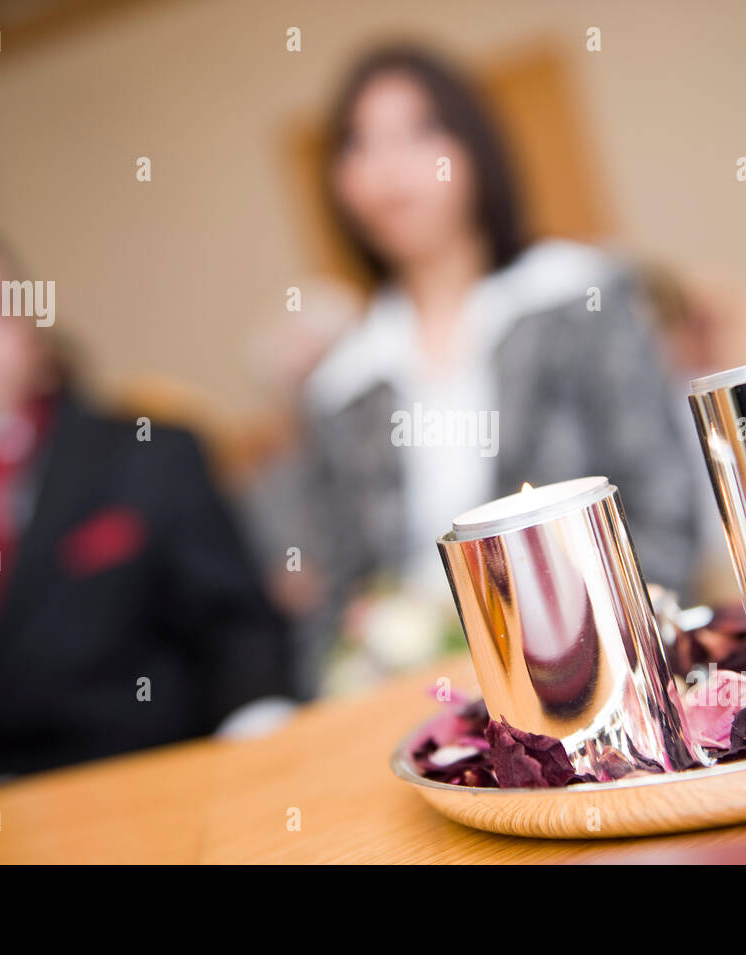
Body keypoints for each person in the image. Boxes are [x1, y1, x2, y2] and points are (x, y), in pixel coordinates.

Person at [0, 224, 291, 816]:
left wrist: (261, 756)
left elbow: (238, 632)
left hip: (180, 810)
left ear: (29, 329)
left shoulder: (150, 459)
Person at [283, 46, 700, 695]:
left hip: (597, 670)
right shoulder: (342, 382)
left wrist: (596, 654)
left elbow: (665, 507)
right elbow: (334, 592)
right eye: (360, 145)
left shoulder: (578, 295)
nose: (389, 170)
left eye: (418, 134)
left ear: (474, 148)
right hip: (410, 699)